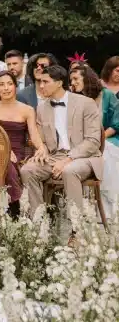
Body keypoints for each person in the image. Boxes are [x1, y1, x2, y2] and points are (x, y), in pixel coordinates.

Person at [20, 65, 102, 240]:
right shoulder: (42, 107)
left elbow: (93, 141)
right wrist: (41, 149)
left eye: (45, 82)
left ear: (59, 83)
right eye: (39, 82)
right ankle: (39, 226)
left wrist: (68, 159)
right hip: (55, 156)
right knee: (28, 170)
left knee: (69, 171)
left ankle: (77, 231)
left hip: (84, 156)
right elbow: (41, 139)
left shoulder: (86, 103)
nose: (41, 86)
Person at [0, 70, 45, 213]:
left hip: (18, 155)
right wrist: (4, 150)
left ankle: (9, 210)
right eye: (1, 85)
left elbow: (34, 135)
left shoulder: (27, 110)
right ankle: (15, 207)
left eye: (9, 84)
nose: (6, 88)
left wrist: (41, 147)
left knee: (10, 164)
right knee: (5, 163)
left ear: (15, 86)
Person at [99, 84, 119, 219]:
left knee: (106, 152)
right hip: (85, 142)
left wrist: (99, 139)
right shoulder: (73, 96)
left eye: (76, 78)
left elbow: (116, 124)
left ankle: (110, 205)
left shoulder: (106, 95)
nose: (73, 82)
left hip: (110, 138)